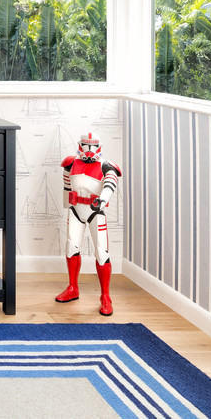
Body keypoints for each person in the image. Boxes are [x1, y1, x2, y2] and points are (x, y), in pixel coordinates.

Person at [55, 132, 122, 316]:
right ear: (80, 144)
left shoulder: (107, 166)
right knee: (71, 248)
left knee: (102, 253)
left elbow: (110, 185)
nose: (89, 149)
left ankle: (105, 296)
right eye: (86, 144)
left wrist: (102, 200)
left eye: (93, 145)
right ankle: (72, 288)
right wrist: (67, 204)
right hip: (76, 210)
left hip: (96, 212)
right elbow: (67, 186)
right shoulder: (71, 163)